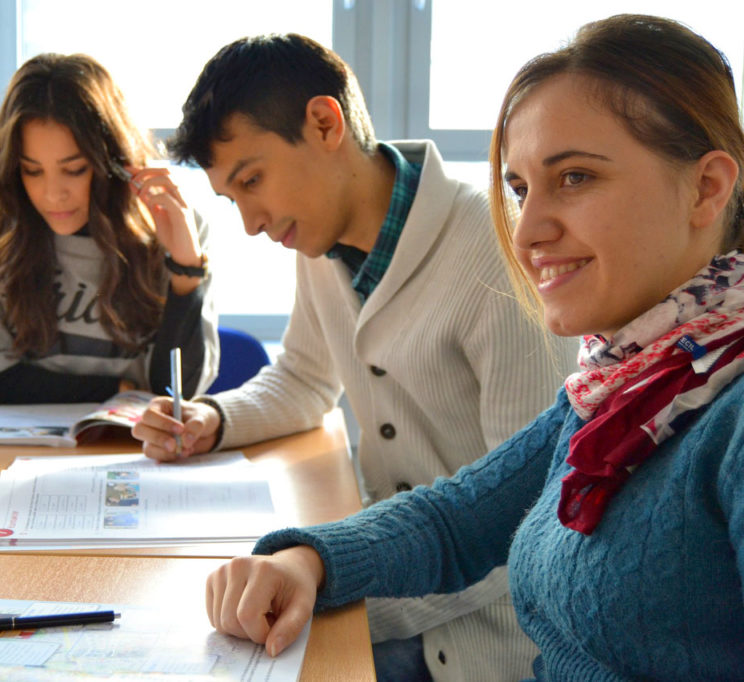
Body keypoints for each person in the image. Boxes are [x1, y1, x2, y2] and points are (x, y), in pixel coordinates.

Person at [202, 14, 744, 680]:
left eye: (574, 177)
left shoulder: (724, 414)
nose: (527, 232)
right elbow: (458, 518)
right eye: (519, 189)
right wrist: (307, 559)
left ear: (708, 187)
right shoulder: (626, 382)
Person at [132, 34, 574, 681]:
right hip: (391, 579)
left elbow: (522, 524)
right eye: (232, 199)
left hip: (487, 641)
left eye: (253, 180)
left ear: (324, 122)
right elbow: (306, 379)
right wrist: (213, 419)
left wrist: (333, 595)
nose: (251, 222)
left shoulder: (495, 253)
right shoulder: (320, 244)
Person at [0, 53, 219, 405]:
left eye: (75, 169)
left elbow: (176, 393)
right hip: (23, 449)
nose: (53, 194)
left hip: (136, 450)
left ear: (111, 163)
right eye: (32, 171)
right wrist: (117, 391)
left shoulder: (169, 226)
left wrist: (186, 269)